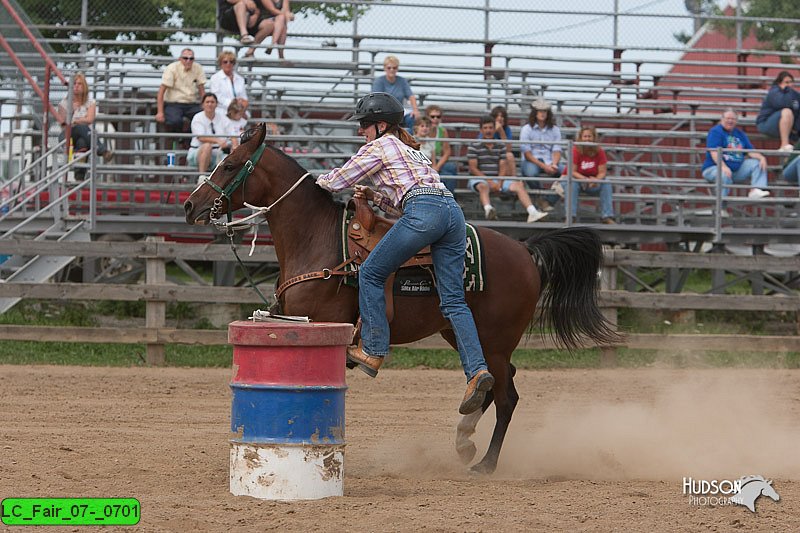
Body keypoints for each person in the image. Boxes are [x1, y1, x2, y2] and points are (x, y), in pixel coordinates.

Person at [315, 92, 494, 415]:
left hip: (424, 211)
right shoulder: (413, 151)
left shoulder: (379, 146)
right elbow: (406, 197)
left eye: (365, 126)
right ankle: (478, 371)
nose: (362, 132)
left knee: (370, 272)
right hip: (452, 214)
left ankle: (373, 349)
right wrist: (374, 196)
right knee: (453, 301)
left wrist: (313, 182)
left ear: (381, 125)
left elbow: (337, 180)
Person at [467, 115, 547, 222]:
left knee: (519, 185)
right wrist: (490, 181)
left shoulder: (500, 145)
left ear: (494, 129)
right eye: (485, 128)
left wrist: (499, 182)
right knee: (482, 186)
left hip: (498, 179)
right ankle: (489, 210)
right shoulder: (474, 145)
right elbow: (473, 168)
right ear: (481, 130)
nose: (488, 131)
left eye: (490, 128)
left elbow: (503, 166)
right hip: (479, 179)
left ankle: (532, 212)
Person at [702, 108, 769, 199]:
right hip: (714, 168)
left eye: (733, 119)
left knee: (757, 163)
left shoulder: (740, 134)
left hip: (735, 171)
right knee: (723, 174)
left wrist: (761, 158)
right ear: (722, 119)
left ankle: (756, 190)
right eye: (728, 118)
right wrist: (723, 167)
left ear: (736, 121)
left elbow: (750, 151)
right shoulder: (716, 132)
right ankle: (721, 206)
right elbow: (714, 152)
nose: (730, 121)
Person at [54, 72, 113, 174]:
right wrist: (72, 112)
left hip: (84, 135)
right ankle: (102, 150)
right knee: (82, 128)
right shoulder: (64, 103)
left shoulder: (91, 102)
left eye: (79, 84)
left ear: (84, 86)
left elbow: (90, 119)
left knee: (82, 142)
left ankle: (79, 176)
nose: (76, 86)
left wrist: (76, 121)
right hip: (67, 135)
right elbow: (64, 124)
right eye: (74, 83)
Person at [560, 126, 615, 224]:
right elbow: (571, 171)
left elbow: (602, 172)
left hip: (592, 183)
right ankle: (570, 217)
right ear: (580, 138)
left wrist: (595, 180)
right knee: (572, 183)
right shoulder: (575, 150)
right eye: (585, 136)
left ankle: (607, 216)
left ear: (594, 138)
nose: (587, 139)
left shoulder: (599, 151)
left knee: (606, 182)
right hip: (577, 180)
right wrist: (586, 179)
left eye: (589, 136)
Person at [519, 98, 565, 212]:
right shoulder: (526, 129)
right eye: (540, 111)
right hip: (532, 161)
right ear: (535, 113)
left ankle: (547, 200)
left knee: (567, 173)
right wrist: (545, 167)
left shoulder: (555, 130)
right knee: (530, 173)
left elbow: (557, 150)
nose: (542, 113)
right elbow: (527, 153)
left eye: (544, 111)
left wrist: (554, 164)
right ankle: (541, 199)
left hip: (550, 160)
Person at [155, 48, 206, 147]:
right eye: (185, 58)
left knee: (202, 118)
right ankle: (181, 139)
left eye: (191, 58)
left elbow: (202, 90)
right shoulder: (172, 68)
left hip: (192, 103)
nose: (188, 61)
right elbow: (161, 91)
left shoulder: (198, 68)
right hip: (173, 103)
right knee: (174, 121)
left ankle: (186, 138)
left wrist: (205, 106)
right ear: (180, 59)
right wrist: (160, 112)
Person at [188, 93, 233, 176]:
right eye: (207, 102)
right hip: (197, 152)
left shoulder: (223, 118)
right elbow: (201, 137)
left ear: (217, 104)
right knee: (207, 146)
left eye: (212, 102)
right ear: (202, 105)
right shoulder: (197, 117)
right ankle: (202, 177)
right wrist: (218, 141)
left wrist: (235, 147)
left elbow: (233, 135)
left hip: (218, 153)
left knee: (232, 161)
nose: (210, 104)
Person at [756, 71, 800, 152]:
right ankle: (784, 145)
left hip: (786, 126)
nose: (789, 85)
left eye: (791, 82)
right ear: (779, 83)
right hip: (766, 124)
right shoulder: (774, 92)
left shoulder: (794, 94)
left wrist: (796, 129)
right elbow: (782, 104)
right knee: (787, 111)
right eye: (786, 82)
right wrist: (787, 90)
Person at [371, 56, 419, 131]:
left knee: (411, 119)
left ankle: (410, 139)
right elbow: (376, 100)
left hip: (399, 112)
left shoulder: (402, 81)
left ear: (397, 68)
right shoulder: (379, 82)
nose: (392, 70)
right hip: (384, 112)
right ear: (384, 68)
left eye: (394, 68)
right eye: (389, 68)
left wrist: (415, 110)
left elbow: (411, 96)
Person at [425, 104, 458, 192]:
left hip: (437, 160)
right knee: (449, 175)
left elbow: (447, 152)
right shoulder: (423, 130)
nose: (435, 119)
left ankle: (450, 196)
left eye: (438, 117)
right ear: (427, 117)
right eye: (432, 116)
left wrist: (437, 166)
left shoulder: (442, 131)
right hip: (425, 160)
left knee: (452, 167)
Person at [481, 106, 516, 177]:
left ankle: (514, 180)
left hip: (500, 155)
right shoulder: (486, 128)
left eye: (502, 116)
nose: (500, 118)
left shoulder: (507, 129)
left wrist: (501, 131)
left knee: (509, 155)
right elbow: (481, 144)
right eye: (497, 116)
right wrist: (493, 131)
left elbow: (508, 149)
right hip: (487, 154)